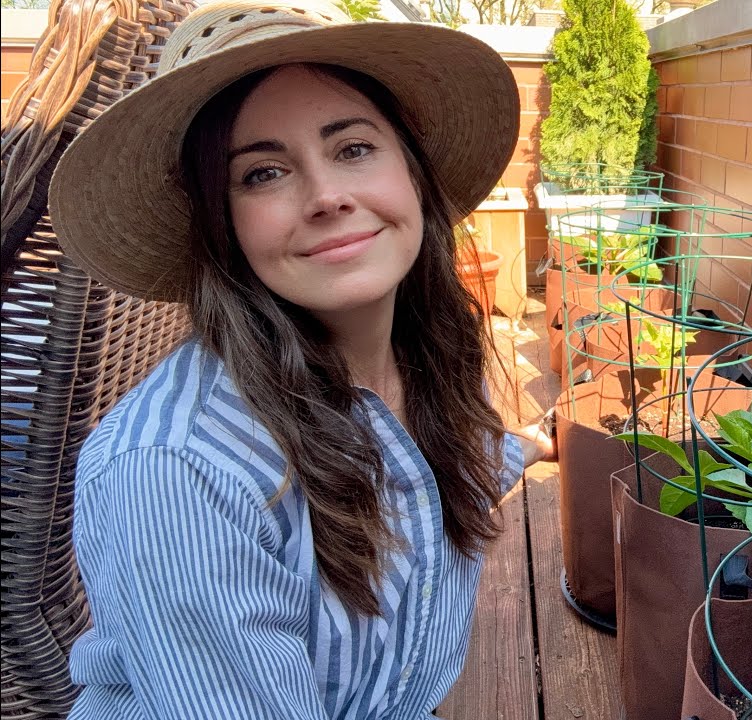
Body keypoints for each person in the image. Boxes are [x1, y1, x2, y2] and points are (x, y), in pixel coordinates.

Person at [47, 1, 554, 717]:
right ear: (220, 224)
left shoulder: (429, 360)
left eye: (352, 149)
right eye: (262, 174)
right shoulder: (179, 472)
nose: (326, 197)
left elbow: (421, 490)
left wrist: (525, 447)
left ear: (411, 172)